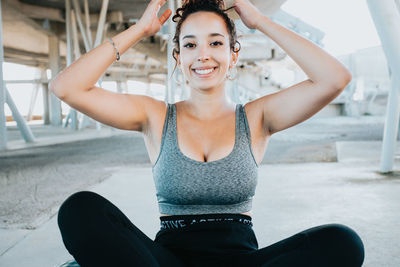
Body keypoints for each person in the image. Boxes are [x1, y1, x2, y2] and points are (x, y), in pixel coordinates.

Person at [52, 0, 365, 266]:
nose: (203, 54)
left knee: (343, 242)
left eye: (215, 42)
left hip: (242, 261)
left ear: (233, 55)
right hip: (165, 260)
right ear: (178, 57)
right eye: (190, 44)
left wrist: (259, 21)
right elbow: (66, 87)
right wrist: (140, 31)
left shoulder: (257, 117)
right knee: (79, 211)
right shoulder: (156, 116)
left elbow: (334, 79)